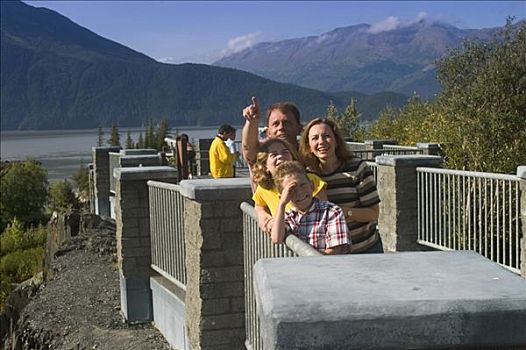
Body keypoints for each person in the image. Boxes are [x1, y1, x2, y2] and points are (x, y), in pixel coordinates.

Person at [299, 118, 383, 253]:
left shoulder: (357, 168)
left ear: (336, 141)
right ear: (308, 146)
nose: (321, 142)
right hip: (330, 254)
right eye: (315, 138)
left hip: (365, 249)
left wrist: (342, 212)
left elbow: (373, 213)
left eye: (327, 136)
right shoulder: (307, 176)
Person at [270, 161, 350, 255]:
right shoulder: (289, 217)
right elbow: (276, 239)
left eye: (303, 185)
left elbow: (335, 250)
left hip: (327, 267)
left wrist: (311, 263)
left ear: (312, 185)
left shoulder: (331, 211)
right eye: (291, 190)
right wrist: (281, 205)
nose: (299, 192)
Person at [251, 138, 327, 234]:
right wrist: (265, 219)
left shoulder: (310, 180)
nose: (280, 156)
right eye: (273, 154)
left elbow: (324, 212)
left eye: (285, 152)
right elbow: (259, 205)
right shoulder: (264, 187)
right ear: (265, 165)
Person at [242, 96, 303, 168]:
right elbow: (249, 148)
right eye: (275, 124)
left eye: (287, 123)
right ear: (268, 132)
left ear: (299, 128)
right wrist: (251, 122)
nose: (281, 128)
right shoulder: (263, 153)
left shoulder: (309, 154)